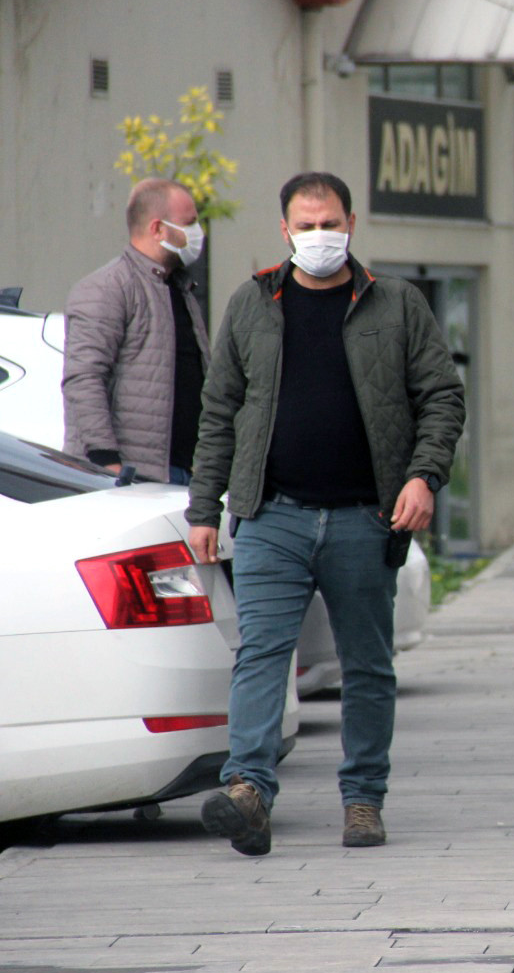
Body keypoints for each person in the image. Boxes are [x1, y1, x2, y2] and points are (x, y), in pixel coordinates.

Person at [186, 172, 465, 855]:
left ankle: (363, 799)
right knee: (261, 655)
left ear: (352, 222)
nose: (319, 236)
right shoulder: (253, 303)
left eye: (330, 223)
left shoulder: (396, 303)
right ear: (284, 230)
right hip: (270, 514)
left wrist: (424, 477)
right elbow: (219, 410)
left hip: (364, 518)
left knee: (367, 664)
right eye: (306, 226)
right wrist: (204, 506)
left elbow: (442, 398)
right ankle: (249, 789)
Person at [64, 178, 209, 484]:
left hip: (177, 472)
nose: (198, 233)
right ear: (158, 228)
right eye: (190, 223)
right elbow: (84, 378)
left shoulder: (178, 288)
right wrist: (106, 461)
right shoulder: (108, 287)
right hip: (130, 476)